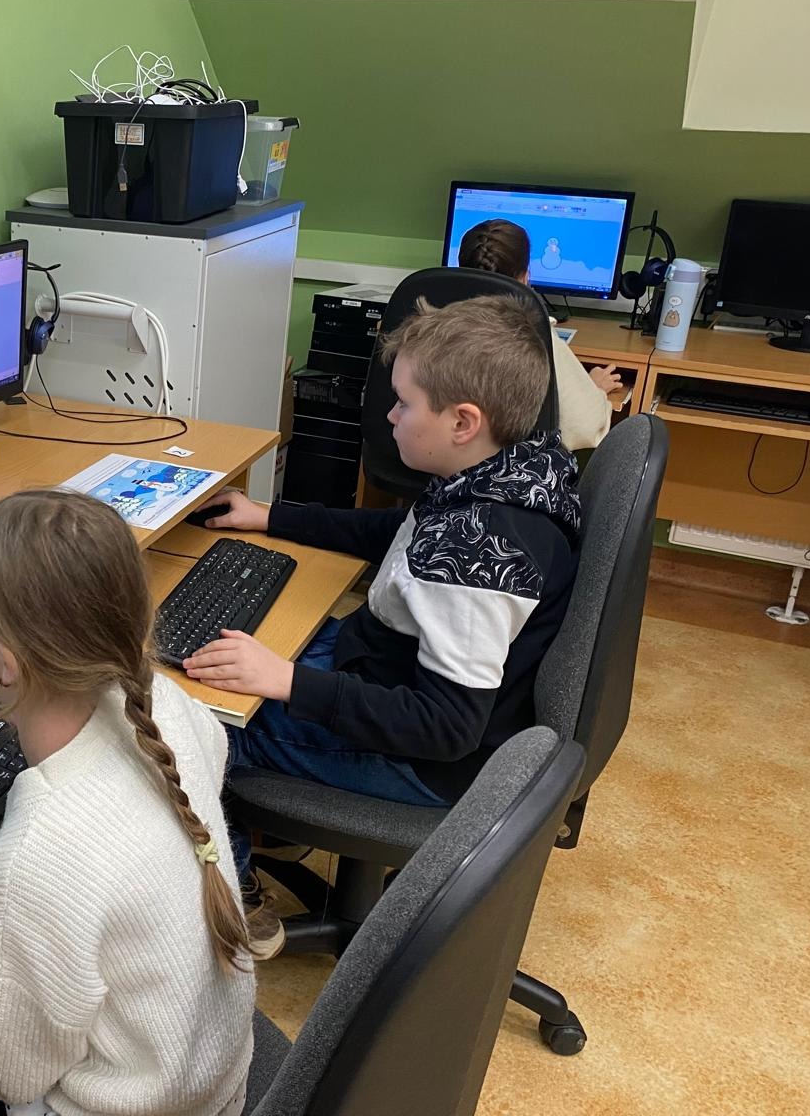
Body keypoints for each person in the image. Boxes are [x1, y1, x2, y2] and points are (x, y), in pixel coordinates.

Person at [186, 295, 581, 959]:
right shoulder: (515, 468)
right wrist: (272, 517)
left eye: (403, 403)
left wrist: (287, 682)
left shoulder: (474, 557)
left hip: (423, 759)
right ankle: (274, 817)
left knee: (196, 718)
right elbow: (402, 532)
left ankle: (235, 896)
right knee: (236, 647)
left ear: (463, 422)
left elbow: (446, 727)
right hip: (386, 667)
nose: (391, 416)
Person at [0, 489, 256, 1116]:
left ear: (6, 664)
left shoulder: (39, 857)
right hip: (213, 1079)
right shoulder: (170, 706)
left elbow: (13, 1074)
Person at [460, 217, 620, 451]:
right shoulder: (533, 337)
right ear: (525, 277)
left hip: (437, 461)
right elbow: (584, 428)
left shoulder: (433, 328)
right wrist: (594, 390)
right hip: (506, 469)